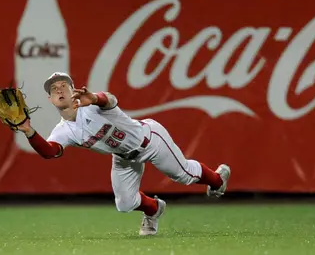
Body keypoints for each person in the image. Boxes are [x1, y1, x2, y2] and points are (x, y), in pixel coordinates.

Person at [16, 72, 231, 236]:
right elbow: (50, 152)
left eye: (64, 85)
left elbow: (109, 99)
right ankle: (154, 209)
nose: (60, 90)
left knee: (184, 175)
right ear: (50, 99)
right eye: (54, 89)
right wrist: (29, 132)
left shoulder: (92, 105)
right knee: (125, 203)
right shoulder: (63, 130)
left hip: (149, 139)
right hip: (123, 157)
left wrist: (94, 97)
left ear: (74, 90)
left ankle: (217, 179)